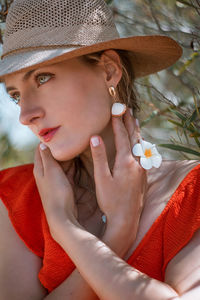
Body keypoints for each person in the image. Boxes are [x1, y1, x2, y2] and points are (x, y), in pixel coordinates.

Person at [0, 0, 200, 299]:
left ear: (108, 70)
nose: (25, 114)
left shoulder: (192, 194)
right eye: (15, 95)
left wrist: (68, 230)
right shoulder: (16, 197)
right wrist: (114, 235)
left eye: (42, 77)